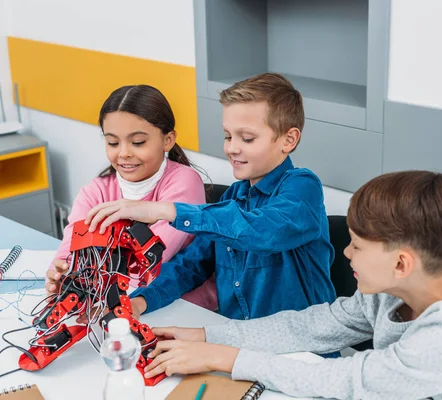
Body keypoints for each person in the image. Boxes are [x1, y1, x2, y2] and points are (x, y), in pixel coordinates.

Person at [142, 171, 442, 400]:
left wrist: (223, 358)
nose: (346, 252)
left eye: (357, 245)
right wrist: (203, 336)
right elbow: (308, 326)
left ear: (401, 263)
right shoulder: (391, 295)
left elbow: (345, 381)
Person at [85, 73, 337, 324]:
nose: (231, 148)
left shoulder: (303, 187)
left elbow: (263, 230)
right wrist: (140, 302)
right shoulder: (234, 197)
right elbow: (191, 265)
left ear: (288, 140)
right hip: (239, 346)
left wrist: (167, 211)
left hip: (302, 354)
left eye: (247, 138)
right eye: (228, 136)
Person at [45, 85, 217, 311]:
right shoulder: (96, 191)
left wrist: (91, 277)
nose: (124, 153)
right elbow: (70, 249)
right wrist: (61, 273)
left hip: (180, 306)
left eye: (137, 142)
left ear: (168, 140)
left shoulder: (184, 181)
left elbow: (149, 261)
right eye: (113, 143)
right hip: (114, 301)